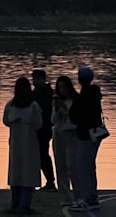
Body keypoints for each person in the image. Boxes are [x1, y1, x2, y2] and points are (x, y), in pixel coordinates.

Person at [3, 76, 43, 214]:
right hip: (30, 142)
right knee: (28, 172)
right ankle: (25, 204)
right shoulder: (33, 106)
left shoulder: (10, 105)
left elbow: (5, 121)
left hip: (15, 142)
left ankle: (15, 203)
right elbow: (39, 124)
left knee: (16, 171)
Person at [68, 65, 104, 212]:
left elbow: (75, 116)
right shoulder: (95, 95)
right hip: (96, 133)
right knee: (90, 166)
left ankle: (84, 198)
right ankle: (92, 196)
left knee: (82, 166)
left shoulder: (82, 97)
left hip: (84, 134)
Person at [51, 74, 79, 206]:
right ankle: (65, 197)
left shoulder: (75, 100)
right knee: (60, 166)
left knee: (72, 166)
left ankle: (78, 195)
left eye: (65, 87)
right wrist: (57, 109)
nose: (62, 90)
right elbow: (53, 121)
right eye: (60, 87)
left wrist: (65, 109)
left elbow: (77, 119)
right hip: (58, 134)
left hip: (72, 134)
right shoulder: (55, 101)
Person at [31, 68, 56, 190]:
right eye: (34, 79)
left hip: (45, 128)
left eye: (37, 79)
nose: (35, 81)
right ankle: (47, 181)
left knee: (43, 154)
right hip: (38, 128)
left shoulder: (48, 93)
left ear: (43, 80)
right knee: (40, 154)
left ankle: (50, 181)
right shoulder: (35, 93)